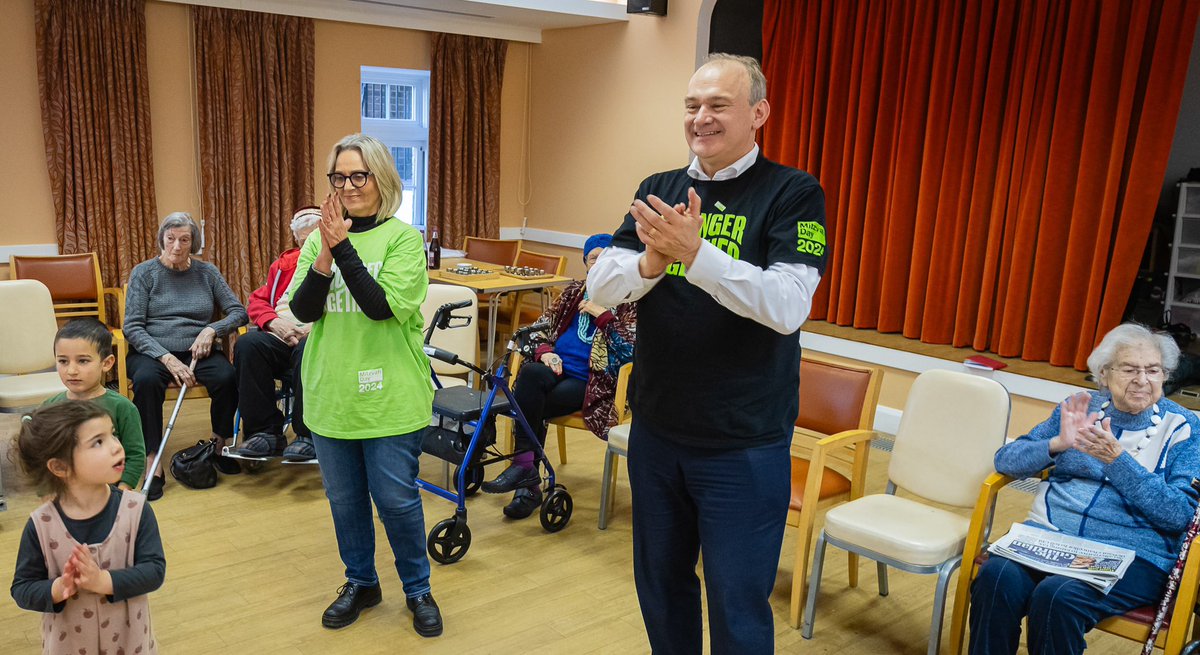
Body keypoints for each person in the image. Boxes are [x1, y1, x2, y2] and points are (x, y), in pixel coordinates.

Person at [587, 53, 828, 654]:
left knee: (737, 601)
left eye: (718, 105)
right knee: (661, 587)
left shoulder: (794, 193)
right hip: (658, 432)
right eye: (692, 105)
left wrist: (697, 256)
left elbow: (787, 305)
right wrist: (652, 260)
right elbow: (600, 289)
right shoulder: (658, 189)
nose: (701, 118)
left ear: (758, 113)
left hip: (743, 444)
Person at [289, 134, 442, 637]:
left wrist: (341, 246)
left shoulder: (403, 238)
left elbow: (380, 307)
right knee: (346, 501)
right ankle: (362, 582)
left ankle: (418, 590)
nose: (349, 186)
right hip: (332, 392)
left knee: (396, 500)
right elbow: (303, 310)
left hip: (391, 396)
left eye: (360, 175)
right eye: (339, 177)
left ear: (382, 179)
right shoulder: (319, 239)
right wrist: (325, 252)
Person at [968, 323, 1200, 655]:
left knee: (1057, 597)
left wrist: (1118, 461)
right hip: (1050, 536)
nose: (1142, 380)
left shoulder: (1184, 428)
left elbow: (1180, 514)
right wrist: (1057, 443)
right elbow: (1006, 461)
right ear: (1104, 375)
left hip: (1134, 554)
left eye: (1153, 370)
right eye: (1130, 369)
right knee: (996, 577)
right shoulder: (1080, 406)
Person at [481, 233, 637, 518]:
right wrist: (544, 353)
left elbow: (631, 351)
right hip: (557, 369)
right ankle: (526, 473)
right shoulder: (574, 291)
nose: (600, 263)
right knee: (530, 373)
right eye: (593, 258)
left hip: (593, 383)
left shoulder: (629, 299)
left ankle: (526, 478)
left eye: (607, 258)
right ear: (586, 263)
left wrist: (602, 315)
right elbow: (538, 328)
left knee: (529, 403)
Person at [11, 400, 166, 654]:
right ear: (60, 467)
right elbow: (22, 588)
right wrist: (58, 588)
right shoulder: (41, 525)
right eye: (98, 442)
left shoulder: (137, 510)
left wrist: (103, 581)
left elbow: (154, 571)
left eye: (112, 434)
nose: (117, 446)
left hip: (130, 645)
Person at [234, 207, 320, 461]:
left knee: (309, 349)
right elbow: (257, 301)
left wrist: (314, 328)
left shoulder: (339, 262)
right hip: (282, 335)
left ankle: (307, 435)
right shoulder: (285, 266)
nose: (309, 246)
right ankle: (265, 432)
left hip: (318, 336)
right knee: (248, 344)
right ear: (297, 240)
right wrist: (274, 323)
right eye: (304, 241)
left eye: (315, 239)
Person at [43, 318, 146, 490]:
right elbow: (43, 458)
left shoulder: (123, 407)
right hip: (67, 496)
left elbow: (135, 455)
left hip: (111, 495)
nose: (71, 371)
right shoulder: (49, 408)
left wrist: (123, 490)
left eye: (82, 361)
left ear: (106, 363)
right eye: (63, 361)